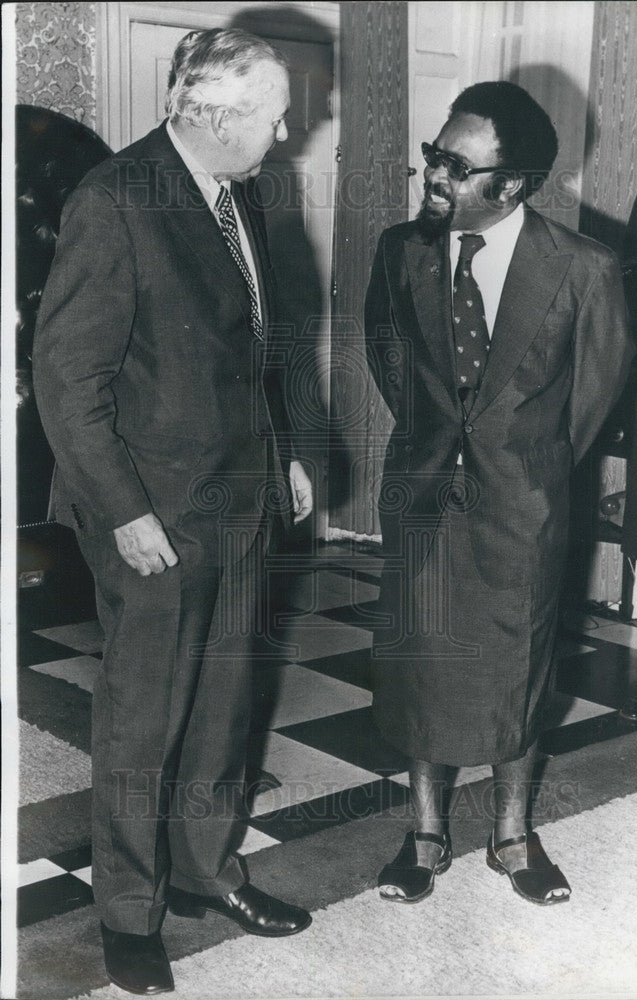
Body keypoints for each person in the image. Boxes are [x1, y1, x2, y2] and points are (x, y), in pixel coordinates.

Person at [33, 28, 313, 996]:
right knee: (142, 720)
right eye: (275, 113)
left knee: (226, 704)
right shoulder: (116, 200)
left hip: (242, 497)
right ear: (212, 114)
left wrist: (296, 454)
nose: (289, 129)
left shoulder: (242, 193)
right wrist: (124, 512)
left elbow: (266, 340)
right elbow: (67, 380)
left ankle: (205, 871)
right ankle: (128, 913)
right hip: (151, 513)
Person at [365, 81, 633, 907]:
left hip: (523, 504)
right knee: (420, 661)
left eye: (454, 165)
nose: (432, 176)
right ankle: (423, 835)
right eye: (431, 157)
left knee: (516, 666)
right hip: (420, 496)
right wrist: (433, 441)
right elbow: (391, 359)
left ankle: (511, 839)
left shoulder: (583, 268)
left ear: (510, 184)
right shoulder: (400, 250)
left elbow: (592, 397)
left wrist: (521, 467)